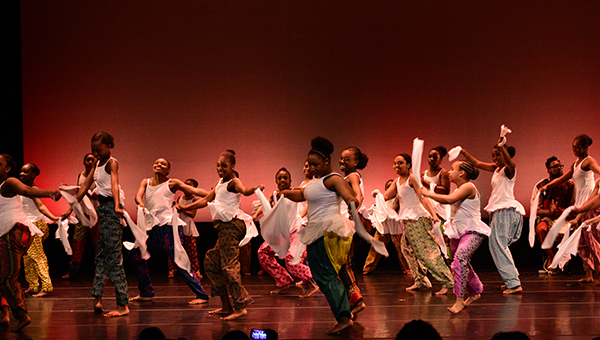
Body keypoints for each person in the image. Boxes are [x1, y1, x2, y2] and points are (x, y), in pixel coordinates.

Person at [282, 137, 357, 334]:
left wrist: (351, 202)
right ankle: (345, 312)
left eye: (316, 164)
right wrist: (286, 193)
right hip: (315, 231)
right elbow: (301, 195)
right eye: (310, 165)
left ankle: (344, 315)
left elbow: (350, 196)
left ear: (326, 161)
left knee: (327, 275)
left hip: (327, 232)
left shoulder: (334, 179)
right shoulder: (316, 183)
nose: (312, 168)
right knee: (320, 275)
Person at [179, 150, 263, 320]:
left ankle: (240, 306)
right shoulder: (220, 183)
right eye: (218, 165)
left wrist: (253, 190)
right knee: (211, 262)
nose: (220, 168)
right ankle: (226, 306)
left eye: (224, 165)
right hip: (224, 229)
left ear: (232, 166)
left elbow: (244, 190)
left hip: (232, 225)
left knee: (229, 266)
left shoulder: (234, 182)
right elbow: (206, 200)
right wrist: (186, 208)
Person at [129, 158, 209, 304]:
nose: (159, 165)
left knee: (177, 259)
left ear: (168, 170)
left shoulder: (172, 183)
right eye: (156, 163)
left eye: (163, 164)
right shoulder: (145, 182)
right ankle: (146, 292)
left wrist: (215, 193)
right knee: (135, 253)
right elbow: (138, 196)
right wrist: (141, 205)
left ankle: (201, 294)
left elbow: (194, 190)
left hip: (168, 226)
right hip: (152, 226)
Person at [0, 154, 60, 331]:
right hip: (6, 232)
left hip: (14, 231)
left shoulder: (9, 182)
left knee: (7, 276)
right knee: (5, 276)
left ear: (7, 168)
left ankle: (21, 314)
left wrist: (49, 193)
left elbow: (27, 191)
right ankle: (6, 312)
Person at [421, 161, 490, 313]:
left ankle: (459, 300)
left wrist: (426, 192)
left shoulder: (468, 187)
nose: (449, 172)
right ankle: (476, 290)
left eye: (453, 169)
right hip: (458, 232)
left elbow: (449, 200)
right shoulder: (459, 189)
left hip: (473, 231)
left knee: (459, 260)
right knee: (461, 263)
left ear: (462, 173)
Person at [73, 131, 129, 317]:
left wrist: (117, 205)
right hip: (102, 212)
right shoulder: (97, 164)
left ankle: (123, 304)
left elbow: (114, 184)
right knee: (100, 257)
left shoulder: (112, 163)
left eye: (98, 150)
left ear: (109, 147)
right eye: (93, 150)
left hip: (111, 210)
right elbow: (85, 186)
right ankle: (97, 298)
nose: (95, 154)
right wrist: (70, 208)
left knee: (113, 258)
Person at [460, 140, 525, 295]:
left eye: (498, 155)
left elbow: (511, 162)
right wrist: (462, 151)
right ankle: (512, 278)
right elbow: (475, 162)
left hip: (505, 210)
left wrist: (502, 145)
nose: (495, 158)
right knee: (498, 245)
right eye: (493, 155)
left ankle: (514, 283)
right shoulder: (496, 169)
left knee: (497, 245)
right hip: (498, 211)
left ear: (506, 155)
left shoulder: (510, 169)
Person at [382, 153, 453, 294]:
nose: (397, 165)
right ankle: (421, 281)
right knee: (406, 250)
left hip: (418, 219)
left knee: (427, 252)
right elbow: (386, 196)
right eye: (395, 163)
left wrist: (433, 214)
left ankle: (448, 281)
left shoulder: (412, 178)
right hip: (408, 221)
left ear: (408, 165)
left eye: (400, 163)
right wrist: (376, 195)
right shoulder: (397, 181)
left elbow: (423, 197)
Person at [540, 134, 600, 283]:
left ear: (585, 148)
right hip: (579, 205)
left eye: (578, 147)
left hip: (589, 203)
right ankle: (588, 274)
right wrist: (547, 185)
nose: (575, 150)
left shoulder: (588, 161)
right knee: (582, 242)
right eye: (573, 147)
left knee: (592, 241)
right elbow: (562, 179)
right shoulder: (576, 164)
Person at [254, 167, 319, 297]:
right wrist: (254, 215)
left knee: (291, 259)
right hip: (280, 235)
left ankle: (313, 282)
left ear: (290, 181)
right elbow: (265, 204)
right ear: (276, 181)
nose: (282, 180)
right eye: (280, 178)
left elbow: (307, 200)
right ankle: (283, 281)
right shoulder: (273, 194)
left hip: (295, 232)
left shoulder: (294, 192)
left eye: (285, 178)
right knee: (262, 252)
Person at [19, 163, 58, 297]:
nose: (22, 174)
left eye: (25, 172)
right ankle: (33, 285)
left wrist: (53, 218)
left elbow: (41, 207)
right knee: (27, 257)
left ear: (33, 174)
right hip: (27, 226)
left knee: (37, 256)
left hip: (35, 226)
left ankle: (47, 286)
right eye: (21, 172)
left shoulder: (32, 190)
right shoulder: (21, 188)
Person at [338, 146, 369, 315]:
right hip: (344, 222)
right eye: (341, 158)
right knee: (342, 263)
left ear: (356, 162)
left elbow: (359, 195)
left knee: (345, 263)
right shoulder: (349, 176)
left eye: (346, 159)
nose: (342, 161)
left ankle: (356, 298)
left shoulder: (352, 176)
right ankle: (352, 298)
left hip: (346, 223)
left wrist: (353, 209)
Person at [531, 156, 574, 273]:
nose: (559, 168)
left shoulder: (570, 185)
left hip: (565, 219)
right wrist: (549, 212)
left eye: (560, 166)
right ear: (548, 170)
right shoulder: (541, 186)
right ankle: (554, 260)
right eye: (555, 166)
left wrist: (563, 212)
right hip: (547, 219)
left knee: (572, 231)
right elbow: (535, 211)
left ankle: (558, 263)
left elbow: (573, 206)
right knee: (541, 229)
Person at [62, 153, 100, 280]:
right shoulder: (81, 175)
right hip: (81, 213)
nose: (90, 162)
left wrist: (89, 193)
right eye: (87, 160)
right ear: (84, 162)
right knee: (77, 242)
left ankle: (103, 272)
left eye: (92, 160)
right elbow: (80, 191)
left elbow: (99, 194)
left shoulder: (99, 175)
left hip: (96, 213)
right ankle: (72, 271)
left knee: (98, 243)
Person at [363, 179, 410, 275]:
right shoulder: (382, 200)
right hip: (384, 227)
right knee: (376, 247)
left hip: (395, 227)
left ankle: (407, 269)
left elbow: (392, 211)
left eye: (391, 186)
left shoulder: (398, 199)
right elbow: (376, 209)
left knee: (401, 249)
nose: (390, 188)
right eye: (388, 187)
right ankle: (368, 267)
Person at [167, 178, 203, 280]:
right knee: (175, 249)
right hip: (178, 224)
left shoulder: (194, 200)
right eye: (185, 184)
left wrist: (182, 207)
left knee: (191, 250)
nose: (186, 186)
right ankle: (172, 270)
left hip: (188, 226)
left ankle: (196, 270)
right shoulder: (180, 197)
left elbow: (192, 214)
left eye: (189, 185)